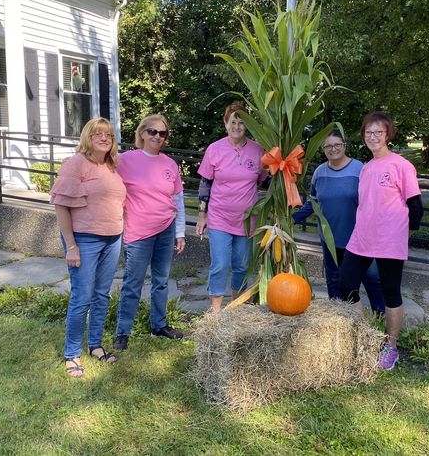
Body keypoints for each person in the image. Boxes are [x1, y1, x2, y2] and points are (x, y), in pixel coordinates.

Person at [338, 112, 424, 371]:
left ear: (388, 135)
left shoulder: (401, 166)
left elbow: (416, 206)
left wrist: (407, 232)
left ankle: (391, 346)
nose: (373, 136)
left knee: (390, 292)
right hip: (362, 237)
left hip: (389, 240)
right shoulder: (366, 168)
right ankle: (365, 335)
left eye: (378, 132)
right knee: (346, 284)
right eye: (368, 132)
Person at [50, 117, 126, 378]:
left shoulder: (111, 166)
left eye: (108, 135)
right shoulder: (76, 163)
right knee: (82, 297)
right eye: (97, 134)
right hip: (84, 240)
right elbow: (61, 205)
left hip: (112, 239)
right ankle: (72, 354)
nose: (104, 138)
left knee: (102, 295)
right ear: (87, 137)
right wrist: (71, 246)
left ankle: (95, 345)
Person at [113, 114, 186, 350]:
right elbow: (105, 181)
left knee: (161, 281)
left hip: (166, 229)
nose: (157, 136)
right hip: (138, 233)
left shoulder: (170, 164)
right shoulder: (124, 160)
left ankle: (159, 325)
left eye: (162, 133)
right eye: (152, 131)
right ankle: (123, 332)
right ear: (142, 133)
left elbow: (178, 199)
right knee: (132, 283)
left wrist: (180, 232)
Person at [292, 129, 386, 314]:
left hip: (360, 239)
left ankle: (380, 316)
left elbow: (374, 201)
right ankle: (337, 316)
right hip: (330, 239)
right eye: (328, 146)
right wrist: (293, 218)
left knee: (371, 279)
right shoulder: (320, 172)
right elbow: (313, 202)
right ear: (323, 149)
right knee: (334, 279)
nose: (333, 149)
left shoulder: (360, 169)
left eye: (337, 144)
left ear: (345, 145)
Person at [195, 102, 269, 311]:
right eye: (233, 122)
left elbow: (265, 181)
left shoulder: (257, 150)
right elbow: (205, 184)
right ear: (226, 123)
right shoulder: (214, 149)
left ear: (247, 125)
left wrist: (285, 176)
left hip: (247, 220)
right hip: (220, 217)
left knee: (242, 265)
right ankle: (215, 311)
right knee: (220, 264)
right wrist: (202, 215)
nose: (237, 127)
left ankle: (236, 308)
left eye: (241, 122)